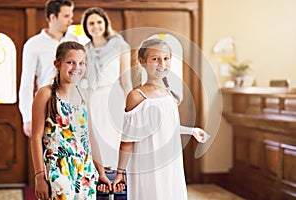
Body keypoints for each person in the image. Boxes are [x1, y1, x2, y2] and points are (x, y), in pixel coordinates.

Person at [112, 38, 210, 200]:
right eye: (155, 59)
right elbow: (128, 138)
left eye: (166, 59)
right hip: (147, 162)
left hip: (170, 161)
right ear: (142, 62)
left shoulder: (169, 93)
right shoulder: (136, 96)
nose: (161, 64)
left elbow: (167, 127)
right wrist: (120, 171)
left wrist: (191, 131)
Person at [31, 41, 111, 200]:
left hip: (85, 170)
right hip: (59, 171)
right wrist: (39, 176)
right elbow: (35, 137)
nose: (76, 67)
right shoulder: (45, 94)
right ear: (57, 64)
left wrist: (100, 172)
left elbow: (90, 137)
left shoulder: (84, 95)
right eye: (70, 62)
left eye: (81, 63)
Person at [81, 7, 132, 169]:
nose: (95, 26)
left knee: (114, 138)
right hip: (93, 99)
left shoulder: (120, 45)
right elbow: (81, 79)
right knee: (96, 138)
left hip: (114, 97)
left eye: (99, 22)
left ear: (105, 23)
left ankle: (118, 180)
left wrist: (131, 106)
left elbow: (126, 80)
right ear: (86, 27)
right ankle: (99, 178)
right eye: (91, 23)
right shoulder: (84, 50)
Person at [19, 0, 78, 137]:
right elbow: (26, 84)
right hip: (46, 108)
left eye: (71, 15)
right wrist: (27, 118)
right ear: (53, 17)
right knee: (48, 155)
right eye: (66, 16)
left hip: (73, 108)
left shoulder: (74, 40)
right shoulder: (33, 45)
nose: (71, 20)